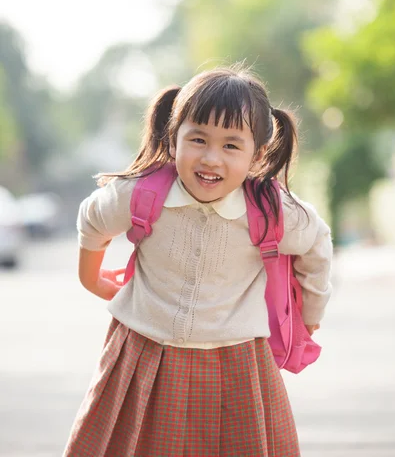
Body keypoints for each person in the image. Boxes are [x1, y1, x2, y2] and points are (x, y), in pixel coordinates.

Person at [64, 64, 332, 457]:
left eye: (230, 145)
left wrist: (311, 312)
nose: (211, 159)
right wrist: (91, 278)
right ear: (174, 140)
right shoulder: (140, 194)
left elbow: (317, 241)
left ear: (257, 155)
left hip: (239, 362)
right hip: (143, 355)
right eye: (198, 139)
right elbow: (93, 217)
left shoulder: (272, 210)